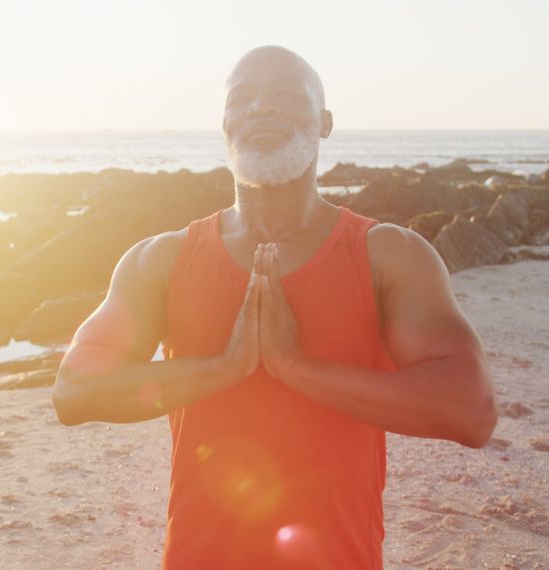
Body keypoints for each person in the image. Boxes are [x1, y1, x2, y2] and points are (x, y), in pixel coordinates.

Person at [51, 46, 497, 569]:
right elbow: (74, 392)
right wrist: (226, 367)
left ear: (324, 122)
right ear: (223, 123)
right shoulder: (161, 259)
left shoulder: (388, 255)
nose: (260, 109)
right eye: (243, 99)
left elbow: (472, 411)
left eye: (285, 96)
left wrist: (296, 367)